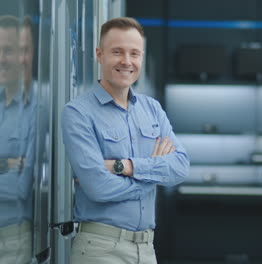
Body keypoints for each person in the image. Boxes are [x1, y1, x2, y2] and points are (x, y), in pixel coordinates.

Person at [61, 17, 189, 264]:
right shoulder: (78, 112)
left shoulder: (152, 109)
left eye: (134, 53)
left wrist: (125, 166)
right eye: (117, 52)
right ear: (100, 55)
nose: (127, 61)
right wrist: (153, 177)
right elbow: (98, 188)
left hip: (146, 249)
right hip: (100, 249)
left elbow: (181, 167)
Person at [0, 15, 34, 264]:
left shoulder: (37, 110)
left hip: (11, 240)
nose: (2, 59)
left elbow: (21, 188)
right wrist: (6, 164)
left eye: (8, 51)